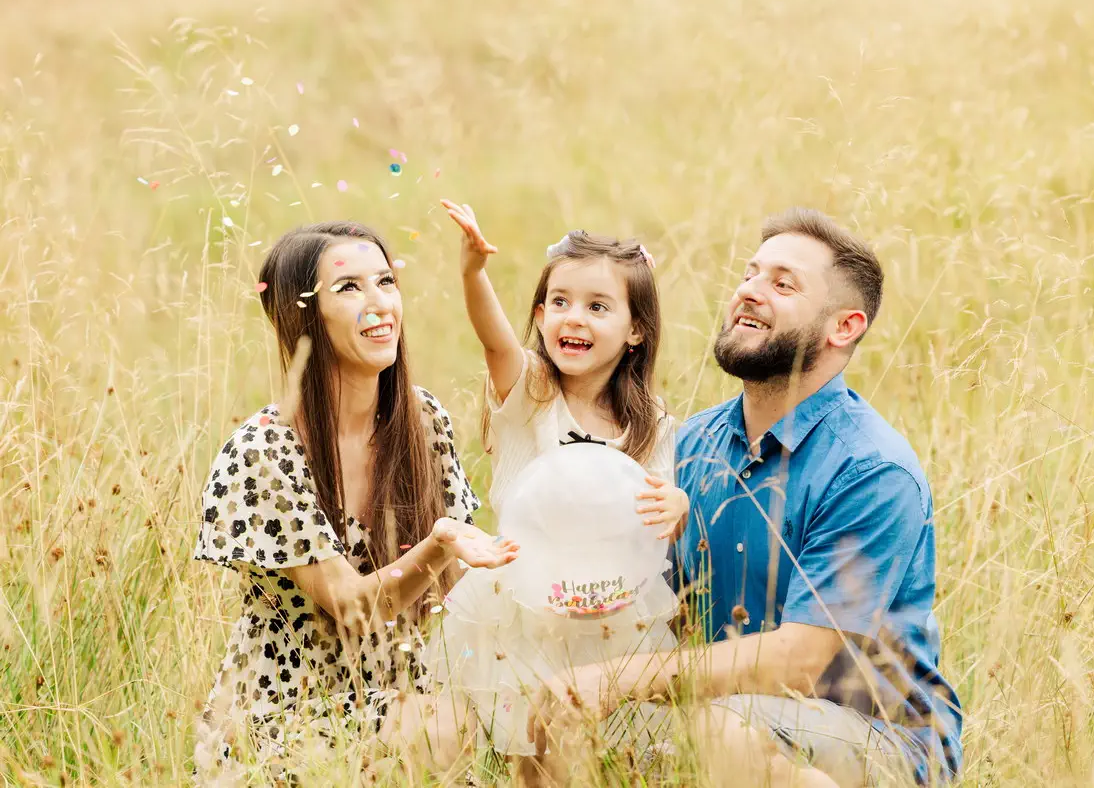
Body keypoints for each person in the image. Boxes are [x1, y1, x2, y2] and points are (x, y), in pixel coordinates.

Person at [527, 208, 964, 787]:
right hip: (724, 707)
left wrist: (612, 681)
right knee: (551, 719)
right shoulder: (695, 442)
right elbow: (663, 601)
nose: (750, 291)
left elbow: (798, 661)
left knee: (718, 730)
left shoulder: (871, 470)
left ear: (843, 327)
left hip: (875, 738)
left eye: (783, 284)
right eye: (751, 274)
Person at [192, 221, 519, 783]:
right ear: (304, 319)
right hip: (286, 708)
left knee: (514, 715)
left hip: (405, 693)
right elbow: (353, 609)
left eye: (386, 282)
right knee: (441, 728)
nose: (379, 304)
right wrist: (440, 545)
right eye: (349, 288)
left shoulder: (422, 420)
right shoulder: (264, 451)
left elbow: (451, 596)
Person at [428, 202, 688, 782]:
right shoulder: (534, 392)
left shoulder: (653, 422)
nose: (574, 318)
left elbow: (657, 514)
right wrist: (473, 273)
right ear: (541, 315)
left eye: (598, 307)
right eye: (560, 303)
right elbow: (496, 342)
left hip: (608, 609)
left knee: (589, 748)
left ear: (636, 330)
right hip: (515, 600)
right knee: (514, 743)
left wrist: (679, 507)